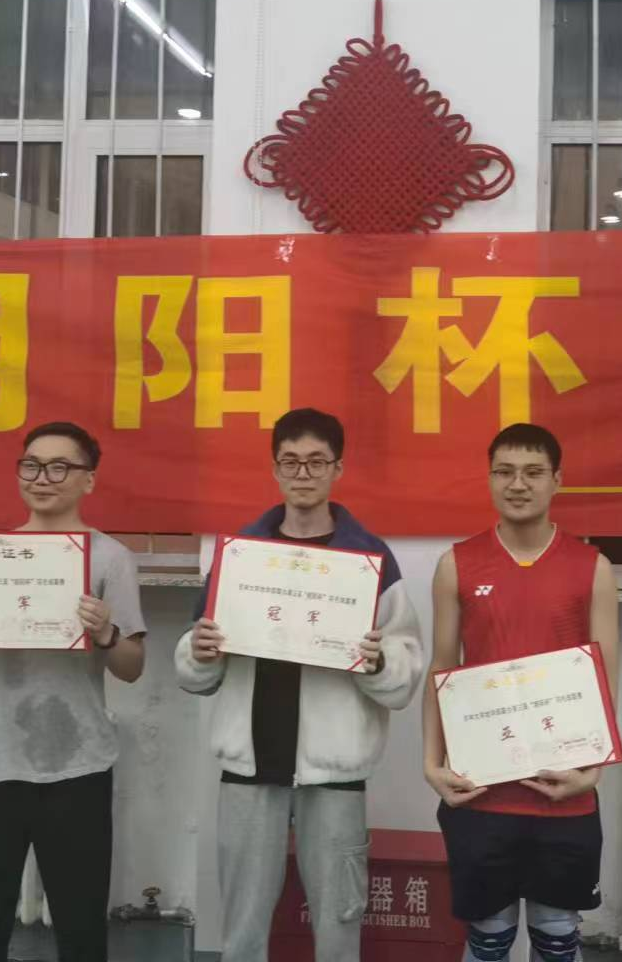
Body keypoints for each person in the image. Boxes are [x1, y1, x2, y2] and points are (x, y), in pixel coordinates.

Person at [175, 408, 425, 962]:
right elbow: (195, 663)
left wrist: (379, 663)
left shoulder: (370, 560)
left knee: (339, 920)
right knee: (241, 926)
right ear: (275, 469)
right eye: (291, 461)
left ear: (338, 468)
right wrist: (199, 651)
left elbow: (406, 671)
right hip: (250, 763)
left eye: (316, 461)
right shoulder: (241, 555)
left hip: (334, 770)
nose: (303, 473)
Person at [0, 422, 147, 962]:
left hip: (78, 763)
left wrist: (107, 633)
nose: (42, 478)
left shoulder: (110, 558)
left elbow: (132, 668)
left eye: (60, 467)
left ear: (88, 480)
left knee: (81, 924)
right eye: (32, 465)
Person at [423, 423, 620, 962]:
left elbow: (604, 678)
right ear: (489, 479)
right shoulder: (456, 565)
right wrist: (431, 762)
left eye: (533, 472)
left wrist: (594, 770)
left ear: (557, 480)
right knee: (489, 938)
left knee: (557, 936)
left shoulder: (592, 568)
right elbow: (442, 667)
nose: (518, 484)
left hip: (564, 791)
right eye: (505, 472)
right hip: (481, 791)